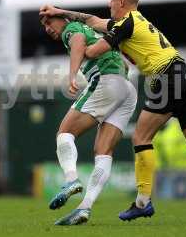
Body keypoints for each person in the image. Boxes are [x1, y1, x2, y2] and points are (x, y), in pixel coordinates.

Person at [40, 0, 186, 220]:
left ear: (121, 1)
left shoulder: (125, 23)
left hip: (167, 79)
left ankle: (143, 202)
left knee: (141, 138)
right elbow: (91, 20)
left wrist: (81, 48)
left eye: (111, 0)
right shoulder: (136, 21)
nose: (109, 4)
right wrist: (59, 12)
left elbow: (93, 51)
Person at [39, 14, 137, 225]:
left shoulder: (71, 29)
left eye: (49, 22)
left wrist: (72, 75)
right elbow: (125, 64)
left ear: (62, 19)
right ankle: (85, 208)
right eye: (43, 25)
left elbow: (77, 42)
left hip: (106, 82)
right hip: (127, 89)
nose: (47, 28)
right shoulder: (93, 31)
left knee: (64, 133)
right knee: (103, 151)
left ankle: (70, 180)